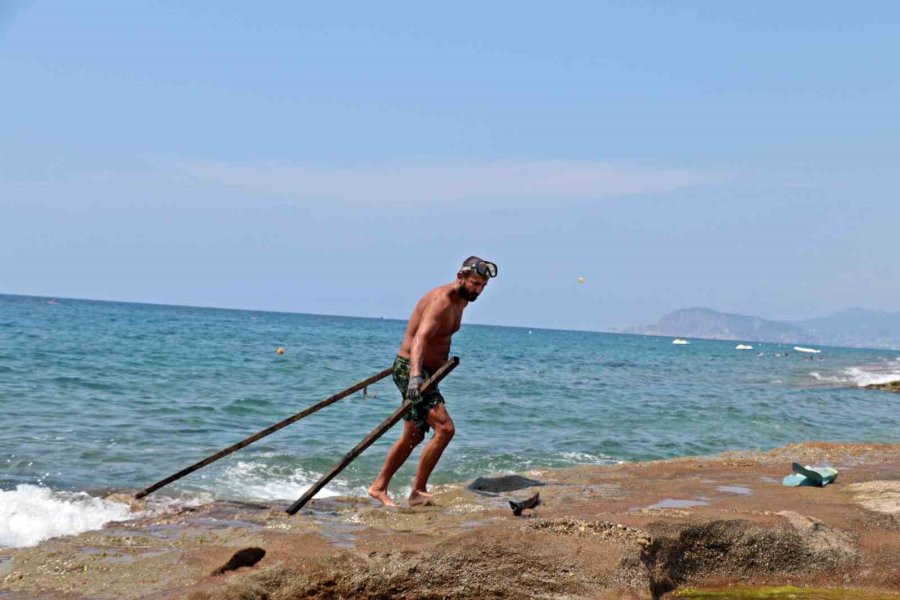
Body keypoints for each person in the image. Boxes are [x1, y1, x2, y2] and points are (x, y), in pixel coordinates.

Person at [368, 256, 498, 507]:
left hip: (428, 372)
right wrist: (415, 377)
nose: (478, 290)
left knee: (413, 436)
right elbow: (420, 339)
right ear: (460, 277)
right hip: (413, 370)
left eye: (482, 286)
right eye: (474, 283)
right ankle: (418, 490)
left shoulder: (463, 300)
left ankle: (379, 486)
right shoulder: (442, 301)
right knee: (445, 429)